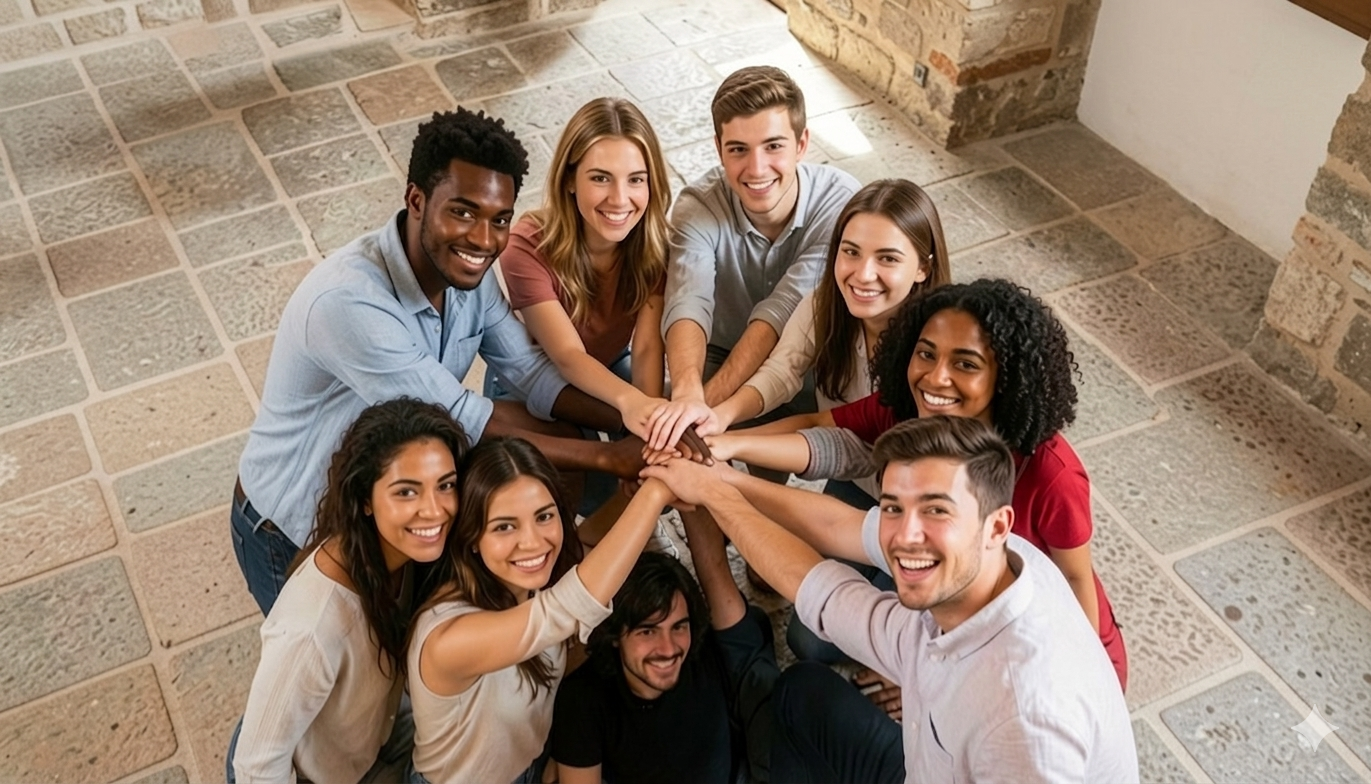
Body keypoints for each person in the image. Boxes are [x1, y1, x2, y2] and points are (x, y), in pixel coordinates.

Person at [232, 107, 644, 615]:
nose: (484, 241)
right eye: (463, 213)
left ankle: (535, 596)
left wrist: (641, 421)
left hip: (389, 489)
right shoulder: (348, 302)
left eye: (499, 220)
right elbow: (463, 419)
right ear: (416, 200)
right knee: (355, 663)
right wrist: (612, 457)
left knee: (551, 435)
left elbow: (532, 372)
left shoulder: (468, 276)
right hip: (290, 528)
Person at [642, 417, 1138, 783]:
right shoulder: (1004, 559)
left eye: (936, 510)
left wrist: (716, 495)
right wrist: (723, 483)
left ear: (997, 526)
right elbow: (837, 532)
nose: (905, 536)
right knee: (801, 692)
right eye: (893, 508)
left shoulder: (1024, 723)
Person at [705, 279, 1128, 689]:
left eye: (965, 364)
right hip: (947, 579)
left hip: (1028, 643)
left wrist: (924, 672)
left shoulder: (1052, 474)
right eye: (926, 354)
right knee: (810, 639)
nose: (935, 378)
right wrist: (721, 445)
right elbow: (819, 427)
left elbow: (1075, 584)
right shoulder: (913, 409)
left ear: (1006, 377)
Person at [407, 438, 676, 784]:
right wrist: (657, 492)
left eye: (544, 516)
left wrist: (635, 491)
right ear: (472, 536)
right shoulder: (449, 637)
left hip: (531, 765)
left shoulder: (529, 582)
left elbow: (587, 544)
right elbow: (569, 607)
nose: (533, 542)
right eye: (504, 526)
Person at [228, 398, 469, 784]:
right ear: (365, 500)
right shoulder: (312, 625)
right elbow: (256, 767)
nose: (435, 510)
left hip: (371, 741)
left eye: (446, 485)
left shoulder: (403, 555)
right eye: (406, 492)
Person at [647, 65, 861, 450]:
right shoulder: (699, 206)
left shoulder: (841, 203)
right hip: (722, 350)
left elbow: (782, 311)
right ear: (719, 149)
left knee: (762, 463)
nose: (757, 168)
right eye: (738, 150)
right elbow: (688, 301)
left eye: (773, 146)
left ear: (801, 144)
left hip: (810, 356)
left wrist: (699, 412)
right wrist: (687, 394)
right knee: (698, 461)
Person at [708, 177, 950, 504]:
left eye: (887, 258)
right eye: (851, 252)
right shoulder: (823, 305)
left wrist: (729, 444)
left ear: (923, 267)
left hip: (913, 498)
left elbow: (850, 448)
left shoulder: (936, 352)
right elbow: (781, 372)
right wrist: (721, 417)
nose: (863, 274)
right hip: (851, 479)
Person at [495, 97, 671, 443]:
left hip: (609, 364)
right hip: (535, 382)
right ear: (569, 180)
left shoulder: (654, 246)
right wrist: (631, 403)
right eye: (601, 178)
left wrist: (647, 427)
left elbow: (647, 347)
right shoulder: (527, 246)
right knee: (584, 465)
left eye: (636, 179)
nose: (619, 199)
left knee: (669, 429)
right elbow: (568, 355)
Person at [549, 540, 779, 783]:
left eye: (678, 627)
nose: (668, 649)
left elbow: (715, 569)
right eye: (648, 631)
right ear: (615, 635)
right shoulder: (583, 699)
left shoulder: (706, 648)